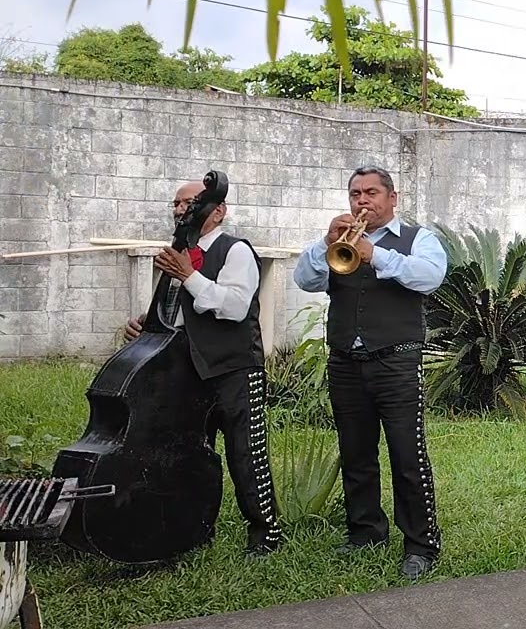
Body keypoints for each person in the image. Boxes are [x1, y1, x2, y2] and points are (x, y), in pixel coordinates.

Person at [292, 165, 449, 580]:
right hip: (345, 360)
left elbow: (431, 277)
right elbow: (304, 280)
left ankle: (421, 545)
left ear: (392, 198)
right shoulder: (338, 241)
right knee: (356, 453)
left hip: (396, 360)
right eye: (356, 194)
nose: (363, 201)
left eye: (372, 193)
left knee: (406, 455)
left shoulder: (419, 240)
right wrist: (327, 243)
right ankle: (365, 532)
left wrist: (374, 254)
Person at [123, 180, 282, 557]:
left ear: (218, 210)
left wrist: (188, 276)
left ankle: (266, 534)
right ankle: (194, 529)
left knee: (246, 453)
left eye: (189, 202)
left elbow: (234, 307)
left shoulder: (236, 250)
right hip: (187, 370)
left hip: (234, 368)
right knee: (193, 453)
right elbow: (179, 314)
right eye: (175, 203)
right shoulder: (181, 253)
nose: (180, 210)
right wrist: (145, 325)